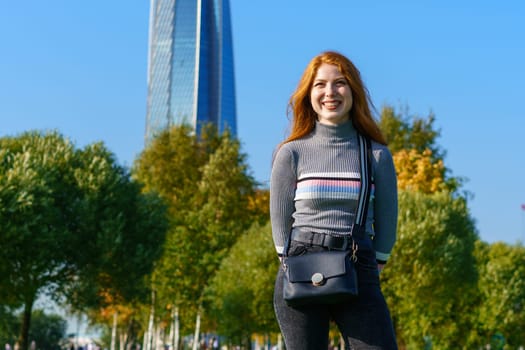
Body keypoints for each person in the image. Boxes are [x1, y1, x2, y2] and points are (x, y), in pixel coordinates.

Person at [270, 51, 398, 349]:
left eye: (340, 83)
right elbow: (280, 223)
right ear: (308, 94)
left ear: (353, 91)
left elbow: (387, 219)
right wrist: (291, 263)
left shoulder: (376, 155)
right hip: (301, 266)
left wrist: (373, 263)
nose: (330, 92)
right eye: (320, 85)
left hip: (358, 265)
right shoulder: (291, 153)